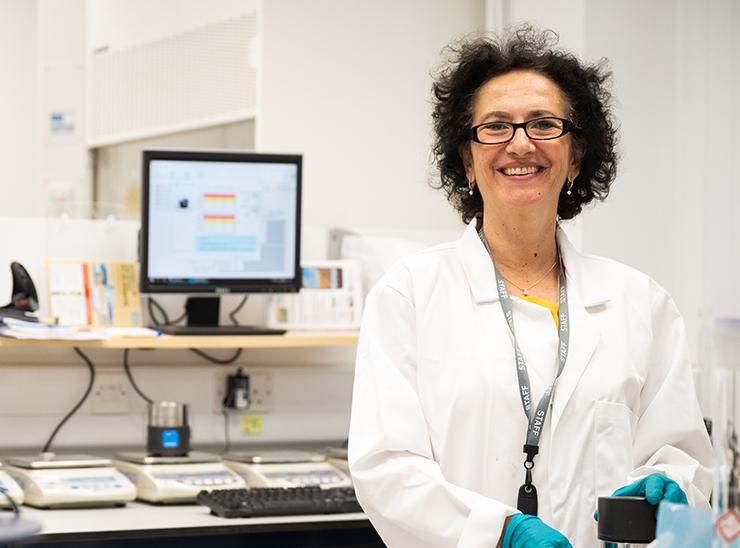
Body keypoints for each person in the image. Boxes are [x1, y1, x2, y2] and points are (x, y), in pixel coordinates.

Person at [348, 26, 712, 547]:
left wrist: (673, 487)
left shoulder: (641, 303)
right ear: (468, 160)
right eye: (495, 127)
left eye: (544, 124)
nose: (521, 143)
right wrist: (495, 533)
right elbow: (386, 469)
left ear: (577, 157)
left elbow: (680, 461)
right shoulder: (409, 295)